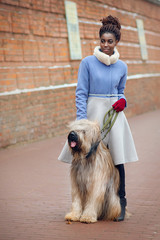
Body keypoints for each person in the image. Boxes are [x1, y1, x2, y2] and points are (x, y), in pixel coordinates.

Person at [58, 15, 138, 221]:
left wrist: (123, 100)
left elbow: (121, 90)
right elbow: (81, 92)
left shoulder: (122, 66)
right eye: (102, 41)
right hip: (92, 116)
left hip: (114, 116)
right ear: (99, 40)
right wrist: (82, 122)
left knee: (117, 160)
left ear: (116, 42)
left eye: (110, 41)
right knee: (84, 158)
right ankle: (81, 204)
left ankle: (120, 203)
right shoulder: (87, 63)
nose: (105, 45)